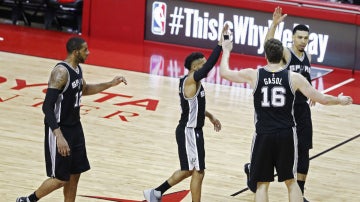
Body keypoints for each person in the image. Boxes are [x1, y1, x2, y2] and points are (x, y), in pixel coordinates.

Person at [220, 36, 352, 202]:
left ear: (266, 56)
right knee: (290, 181)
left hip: (263, 134)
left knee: (262, 184)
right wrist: (339, 100)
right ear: (282, 56)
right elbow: (322, 99)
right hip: (286, 135)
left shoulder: (254, 75)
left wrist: (226, 50)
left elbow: (224, 73)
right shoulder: (294, 77)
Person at [16, 36, 127, 202]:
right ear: (76, 52)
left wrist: (110, 84)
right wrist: (59, 136)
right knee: (61, 178)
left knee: (75, 175)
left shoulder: (77, 69)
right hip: (59, 129)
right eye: (85, 50)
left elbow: (85, 89)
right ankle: (29, 200)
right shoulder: (60, 72)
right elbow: (47, 107)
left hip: (75, 127)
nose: (88, 53)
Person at [143, 25, 227, 202]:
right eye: (202, 64)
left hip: (191, 130)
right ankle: (158, 193)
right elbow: (211, 65)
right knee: (198, 171)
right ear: (195, 67)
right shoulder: (191, 80)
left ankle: (156, 193)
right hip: (189, 131)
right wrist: (220, 44)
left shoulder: (190, 82)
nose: (206, 67)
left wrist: (210, 116)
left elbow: (193, 107)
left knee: (189, 170)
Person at [242, 7, 313, 201]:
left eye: (306, 38)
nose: (303, 41)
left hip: (302, 110)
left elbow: (306, 79)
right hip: (284, 113)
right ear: (292, 38)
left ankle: (301, 193)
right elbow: (268, 45)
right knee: (282, 157)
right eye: (300, 37)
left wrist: (312, 93)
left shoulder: (308, 57)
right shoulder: (286, 54)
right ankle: (252, 169)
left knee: (304, 152)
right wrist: (274, 24)